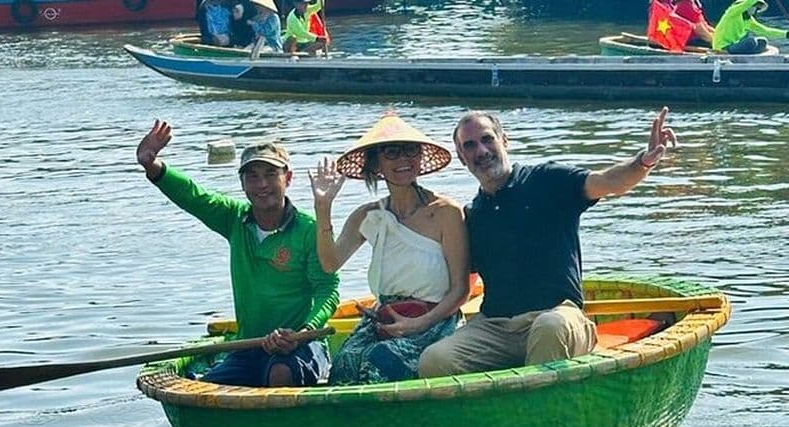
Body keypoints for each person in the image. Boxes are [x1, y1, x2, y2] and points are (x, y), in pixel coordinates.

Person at [418, 108, 677, 378]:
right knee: (435, 360)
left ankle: (540, 404)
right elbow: (459, 285)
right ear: (462, 157)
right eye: (470, 145)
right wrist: (414, 316)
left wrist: (643, 162)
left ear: (504, 140)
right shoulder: (472, 216)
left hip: (559, 314)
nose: (481, 151)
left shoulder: (547, 180)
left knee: (549, 328)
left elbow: (609, 181)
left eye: (487, 139)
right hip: (495, 327)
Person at [135, 120, 340, 387]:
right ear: (242, 183)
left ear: (288, 178)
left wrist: (304, 332)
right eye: (252, 176)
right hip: (248, 346)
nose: (262, 184)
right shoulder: (234, 218)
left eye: (270, 174)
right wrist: (151, 164)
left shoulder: (310, 230)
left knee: (280, 374)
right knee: (204, 391)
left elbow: (328, 289)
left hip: (301, 346)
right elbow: (193, 195)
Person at [308, 113, 470, 385]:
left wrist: (420, 323)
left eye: (410, 151)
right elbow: (329, 263)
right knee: (344, 364)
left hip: (435, 321)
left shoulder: (447, 212)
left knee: (380, 362)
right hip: (384, 320)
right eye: (391, 152)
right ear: (376, 164)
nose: (402, 159)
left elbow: (461, 290)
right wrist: (323, 208)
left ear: (420, 157)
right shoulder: (368, 215)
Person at [713, 0, 788, 54]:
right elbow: (748, 3)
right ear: (748, 7)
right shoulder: (733, 13)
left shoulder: (749, 20)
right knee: (751, 42)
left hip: (734, 46)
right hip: (723, 47)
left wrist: (786, 34)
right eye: (756, 8)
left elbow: (766, 31)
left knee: (763, 41)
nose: (756, 10)